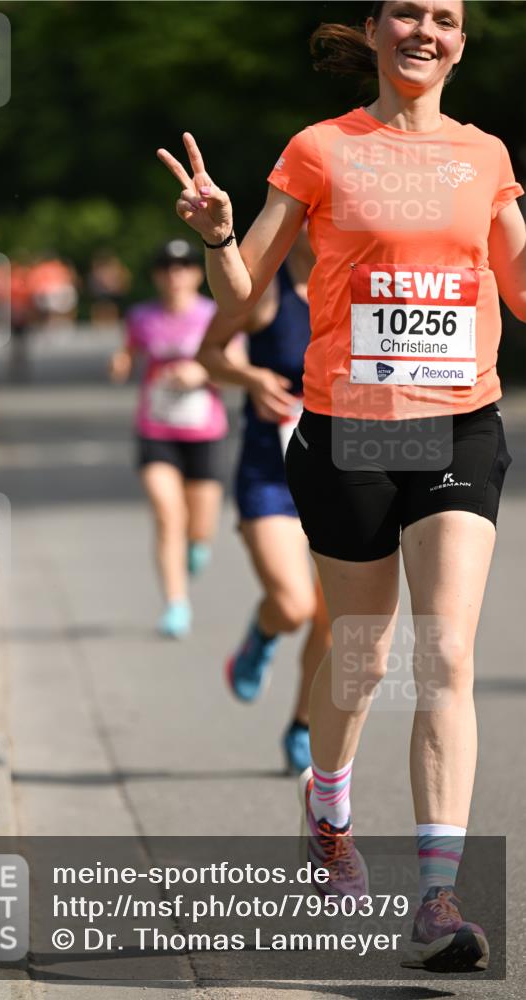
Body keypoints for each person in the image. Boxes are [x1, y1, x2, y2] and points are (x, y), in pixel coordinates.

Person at [157, 0, 524, 973]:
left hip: (459, 421)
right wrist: (219, 233)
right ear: (369, 29)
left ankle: (436, 896)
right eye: (406, 12)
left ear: (459, 38)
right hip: (348, 428)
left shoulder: (483, 156)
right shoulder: (321, 149)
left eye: (444, 17)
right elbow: (243, 300)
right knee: (359, 655)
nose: (425, 30)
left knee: (445, 648)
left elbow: (521, 285)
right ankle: (328, 814)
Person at [196, 227, 331, 774]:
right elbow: (207, 353)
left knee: (336, 618)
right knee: (295, 605)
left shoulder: (356, 289)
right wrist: (250, 376)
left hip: (343, 472)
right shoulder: (262, 290)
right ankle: (263, 633)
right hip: (269, 474)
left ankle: (302, 726)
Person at [110, 239, 240, 638]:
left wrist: (201, 374)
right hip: (156, 429)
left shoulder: (214, 315)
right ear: (156, 275)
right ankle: (176, 605)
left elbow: (237, 365)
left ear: (196, 274)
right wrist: (121, 362)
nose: (175, 274)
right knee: (167, 516)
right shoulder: (141, 317)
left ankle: (198, 546)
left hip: (204, 431)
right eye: (166, 267)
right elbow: (130, 351)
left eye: (183, 266)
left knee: (199, 528)